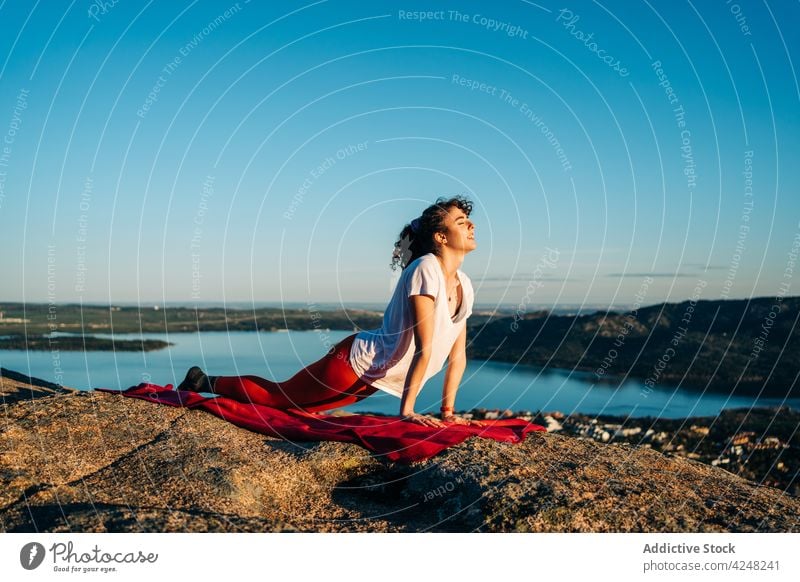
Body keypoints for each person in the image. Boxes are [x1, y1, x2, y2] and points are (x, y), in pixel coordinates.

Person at [177, 195, 484, 428]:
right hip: (354, 364)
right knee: (279, 398)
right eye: (461, 222)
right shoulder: (425, 268)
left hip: (373, 378)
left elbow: (457, 355)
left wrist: (449, 413)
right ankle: (202, 381)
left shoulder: (464, 285)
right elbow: (425, 346)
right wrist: (407, 412)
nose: (471, 225)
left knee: (295, 411)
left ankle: (204, 383)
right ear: (440, 237)